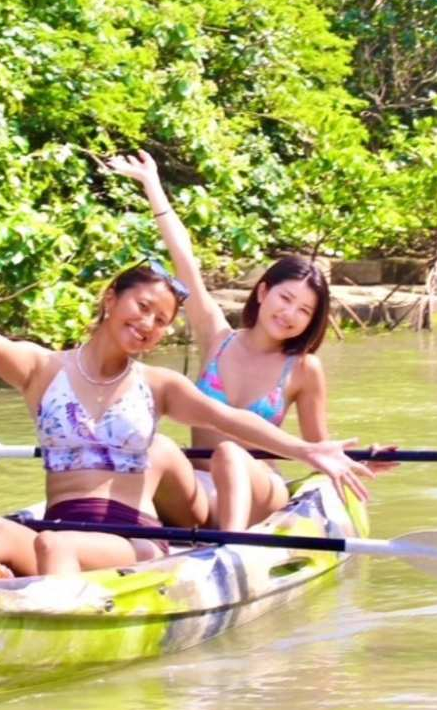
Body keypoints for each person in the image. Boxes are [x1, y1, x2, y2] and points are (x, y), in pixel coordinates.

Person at [0, 269, 372, 578]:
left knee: (55, 547)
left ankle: (34, 623)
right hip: (61, 528)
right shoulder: (42, 370)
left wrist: (310, 452)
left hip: (134, 541)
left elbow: (229, 419)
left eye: (161, 321)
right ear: (110, 300)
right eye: (141, 308)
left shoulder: (159, 386)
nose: (147, 324)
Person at [107, 150, 340, 531]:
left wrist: (351, 464)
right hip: (200, 487)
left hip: (258, 488)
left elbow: (318, 444)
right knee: (153, 448)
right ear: (263, 293)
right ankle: (126, 535)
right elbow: (185, 262)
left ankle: (230, 549)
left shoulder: (303, 369)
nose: (290, 314)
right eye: (285, 299)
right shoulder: (217, 337)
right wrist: (152, 185)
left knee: (231, 454)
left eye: (304, 310)